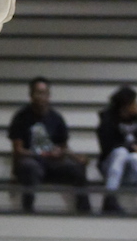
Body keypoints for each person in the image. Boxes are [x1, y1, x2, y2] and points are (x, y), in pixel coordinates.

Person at [8, 78, 91, 213]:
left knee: (78, 169)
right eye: (38, 93)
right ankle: (27, 210)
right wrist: (13, 175)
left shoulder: (56, 118)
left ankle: (85, 211)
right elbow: (18, 150)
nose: (41, 97)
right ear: (31, 95)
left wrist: (75, 157)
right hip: (32, 163)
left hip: (52, 164)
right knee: (29, 167)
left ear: (49, 96)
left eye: (44, 93)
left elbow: (63, 146)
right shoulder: (21, 117)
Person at [97, 85, 137, 213]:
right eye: (134, 103)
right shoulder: (107, 121)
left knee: (136, 158)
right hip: (111, 166)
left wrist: (135, 150)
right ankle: (109, 198)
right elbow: (107, 148)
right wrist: (132, 147)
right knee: (121, 153)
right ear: (126, 106)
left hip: (130, 170)